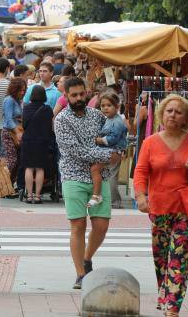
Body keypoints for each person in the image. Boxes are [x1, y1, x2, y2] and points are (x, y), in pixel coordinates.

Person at [134, 94, 188, 317]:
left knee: (179, 257)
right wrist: (141, 196)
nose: (173, 115)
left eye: (178, 112)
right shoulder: (150, 142)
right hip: (158, 208)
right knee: (161, 257)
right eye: (169, 111)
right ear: (162, 114)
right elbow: (141, 171)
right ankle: (164, 293)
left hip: (185, 209)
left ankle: (172, 307)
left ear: (186, 118)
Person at [54, 77, 117, 289]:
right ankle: (81, 274)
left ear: (87, 92)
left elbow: (113, 136)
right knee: (78, 225)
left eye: (82, 94)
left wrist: (118, 149)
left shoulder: (98, 115)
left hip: (100, 176)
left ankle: (87, 258)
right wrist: (107, 155)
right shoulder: (61, 120)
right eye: (74, 95)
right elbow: (76, 151)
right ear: (66, 96)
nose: (79, 98)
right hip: (73, 176)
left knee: (102, 225)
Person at [88, 93, 128, 207]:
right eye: (103, 105)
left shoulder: (117, 121)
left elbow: (113, 138)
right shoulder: (109, 119)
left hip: (113, 151)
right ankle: (108, 198)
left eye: (109, 105)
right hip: (107, 151)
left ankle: (113, 201)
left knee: (111, 176)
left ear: (117, 106)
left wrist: (100, 140)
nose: (105, 108)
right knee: (107, 174)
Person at [22, 85, 55, 205]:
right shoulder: (48, 109)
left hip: (28, 140)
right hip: (42, 141)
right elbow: (51, 126)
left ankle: (29, 195)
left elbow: (24, 125)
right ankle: (37, 196)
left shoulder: (26, 108)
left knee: (29, 168)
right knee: (40, 168)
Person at [2, 78, 26, 183]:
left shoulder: (18, 101)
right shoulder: (9, 100)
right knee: (12, 161)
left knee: (18, 161)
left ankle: (10, 184)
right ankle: (4, 183)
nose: (22, 92)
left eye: (24, 90)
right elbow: (8, 119)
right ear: (14, 89)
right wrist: (17, 132)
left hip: (17, 132)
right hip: (9, 133)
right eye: (20, 90)